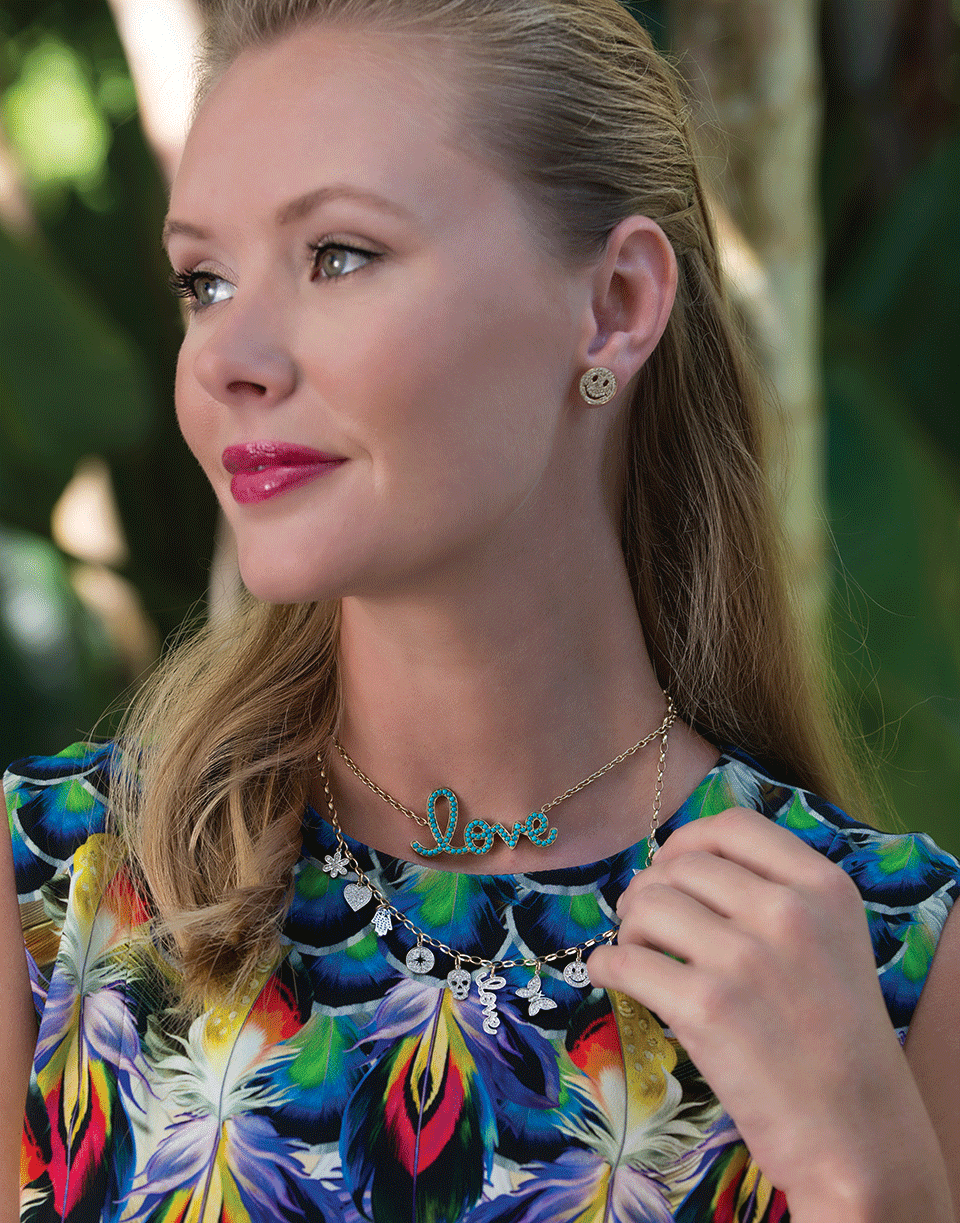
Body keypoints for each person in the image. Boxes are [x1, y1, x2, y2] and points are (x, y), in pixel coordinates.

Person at [2, 0, 958, 1219]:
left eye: (337, 255)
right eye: (206, 280)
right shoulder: (55, 897)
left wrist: (873, 1181)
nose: (226, 357)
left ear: (615, 304)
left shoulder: (886, 962)